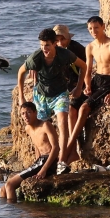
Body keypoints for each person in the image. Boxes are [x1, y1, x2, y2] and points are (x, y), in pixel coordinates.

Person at [17, 29, 85, 175]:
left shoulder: (64, 54)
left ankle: (61, 161)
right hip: (41, 95)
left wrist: (79, 87)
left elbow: (83, 66)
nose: (44, 49)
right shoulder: (36, 57)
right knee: (38, 127)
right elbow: (21, 72)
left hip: (60, 93)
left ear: (55, 44)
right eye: (42, 45)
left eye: (47, 45)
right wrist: (21, 96)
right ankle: (39, 160)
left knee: (62, 122)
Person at [66, 17, 110, 158]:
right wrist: (86, 85)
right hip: (96, 79)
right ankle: (74, 149)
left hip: (109, 81)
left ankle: (68, 146)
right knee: (72, 107)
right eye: (90, 29)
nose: (94, 31)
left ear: (103, 26)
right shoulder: (90, 47)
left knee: (84, 108)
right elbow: (87, 71)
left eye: (96, 27)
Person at [0, 102, 55, 202]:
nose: (25, 116)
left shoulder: (45, 125)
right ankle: (4, 214)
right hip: (40, 161)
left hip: (49, 160)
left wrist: (43, 169)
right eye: (23, 113)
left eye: (28, 112)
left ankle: (12, 214)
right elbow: (37, 146)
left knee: (9, 185)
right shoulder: (28, 128)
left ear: (35, 113)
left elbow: (56, 148)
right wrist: (35, 165)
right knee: (2, 190)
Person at [54, 24, 88, 162]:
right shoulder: (56, 50)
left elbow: (85, 69)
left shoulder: (77, 49)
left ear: (68, 38)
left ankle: (72, 151)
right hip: (66, 86)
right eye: (57, 40)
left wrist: (80, 87)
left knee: (71, 109)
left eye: (63, 39)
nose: (61, 43)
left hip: (81, 85)